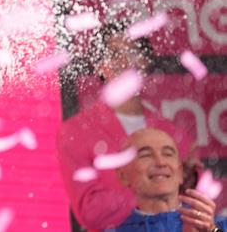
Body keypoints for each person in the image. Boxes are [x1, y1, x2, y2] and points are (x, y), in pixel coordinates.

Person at [56, 20, 197, 231]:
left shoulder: (172, 132)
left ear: (145, 62)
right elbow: (91, 213)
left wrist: (191, 178)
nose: (124, 61)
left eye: (133, 52)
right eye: (114, 54)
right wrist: (153, 187)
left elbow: (192, 202)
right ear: (99, 64)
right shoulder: (75, 132)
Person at [108, 128, 224, 232]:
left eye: (168, 154)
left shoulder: (218, 226)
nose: (160, 162)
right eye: (145, 155)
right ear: (122, 175)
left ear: (180, 172)